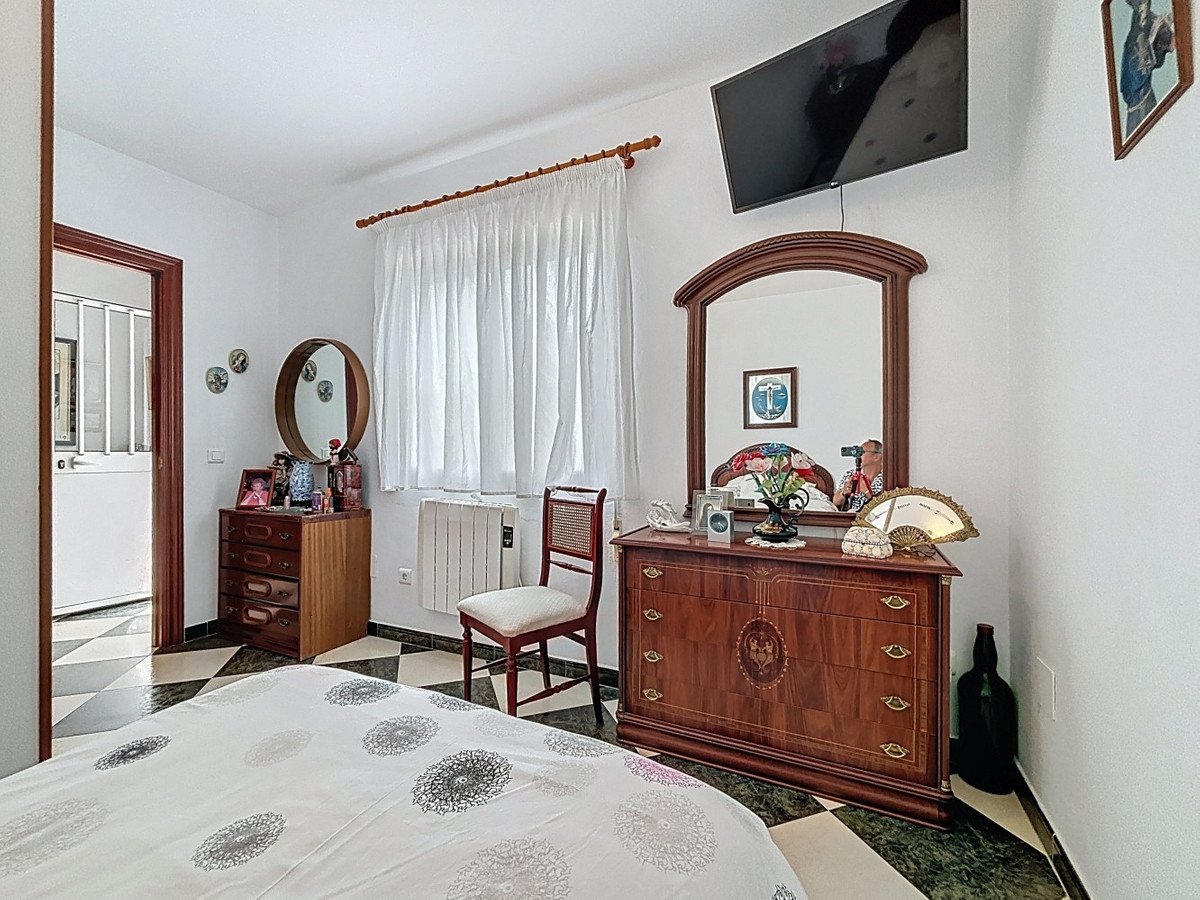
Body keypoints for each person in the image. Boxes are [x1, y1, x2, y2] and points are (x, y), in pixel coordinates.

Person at [833, 439, 884, 513]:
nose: (857, 456)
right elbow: (835, 502)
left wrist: (867, 492)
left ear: (876, 457)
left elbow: (885, 506)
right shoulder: (850, 474)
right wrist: (844, 492)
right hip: (850, 517)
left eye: (861, 452)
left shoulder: (887, 478)